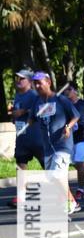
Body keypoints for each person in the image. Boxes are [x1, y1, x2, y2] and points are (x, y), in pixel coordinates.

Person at [29, 72, 80, 212]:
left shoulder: (61, 100)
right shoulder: (37, 103)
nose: (37, 86)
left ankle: (69, 204)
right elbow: (31, 119)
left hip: (63, 145)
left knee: (57, 175)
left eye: (40, 82)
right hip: (48, 147)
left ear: (49, 82)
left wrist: (68, 127)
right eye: (35, 83)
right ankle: (73, 201)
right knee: (54, 177)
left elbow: (76, 115)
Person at [7, 69, 44, 207]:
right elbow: (17, 113)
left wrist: (24, 111)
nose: (18, 81)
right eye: (17, 79)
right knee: (20, 166)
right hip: (22, 138)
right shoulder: (18, 95)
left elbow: (43, 108)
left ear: (29, 81)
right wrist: (14, 118)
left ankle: (66, 198)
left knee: (49, 168)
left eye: (21, 79)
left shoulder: (34, 95)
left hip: (36, 138)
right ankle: (22, 196)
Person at [64, 82, 84, 202]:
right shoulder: (65, 105)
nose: (67, 92)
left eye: (69, 89)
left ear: (75, 91)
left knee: (79, 162)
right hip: (71, 138)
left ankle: (80, 190)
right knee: (74, 163)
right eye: (65, 90)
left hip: (83, 136)